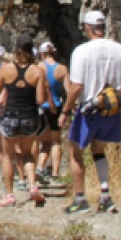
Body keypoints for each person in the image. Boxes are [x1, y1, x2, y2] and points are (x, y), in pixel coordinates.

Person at [61, 10, 121, 214]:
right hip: (110, 110)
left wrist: (65, 111)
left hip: (89, 110)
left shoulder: (81, 52)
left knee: (76, 152)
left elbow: (76, 86)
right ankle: (105, 195)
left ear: (87, 27)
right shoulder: (119, 49)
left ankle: (80, 198)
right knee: (99, 151)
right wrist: (113, 90)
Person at [0, 29, 48, 207]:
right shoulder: (38, 71)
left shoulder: (6, 69)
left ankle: (9, 196)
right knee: (28, 154)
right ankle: (32, 186)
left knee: (8, 156)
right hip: (30, 117)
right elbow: (40, 100)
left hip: (10, 117)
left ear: (17, 49)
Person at [36, 41, 69, 185]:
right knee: (56, 141)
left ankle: (39, 167)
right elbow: (69, 90)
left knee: (42, 141)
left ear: (42, 53)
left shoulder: (38, 67)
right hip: (56, 106)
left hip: (40, 107)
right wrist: (68, 109)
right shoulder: (62, 69)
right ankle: (55, 173)